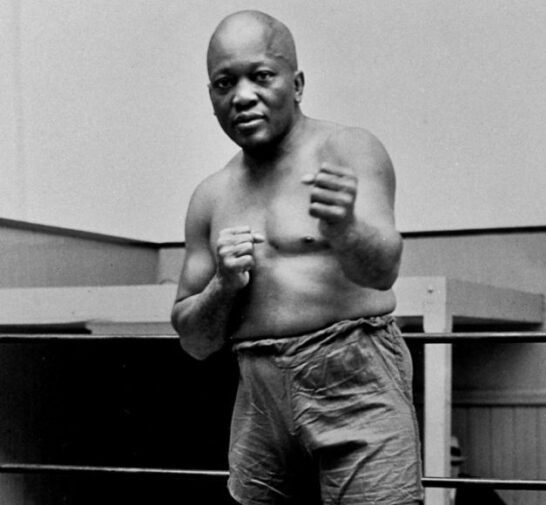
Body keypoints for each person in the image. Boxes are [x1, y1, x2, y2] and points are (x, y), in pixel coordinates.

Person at [170, 10, 423, 505]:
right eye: (225, 83)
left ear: (297, 83)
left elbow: (383, 270)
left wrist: (345, 228)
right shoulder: (210, 196)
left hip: (354, 376)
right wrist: (223, 284)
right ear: (212, 98)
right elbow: (194, 341)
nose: (242, 95)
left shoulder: (348, 149)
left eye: (261, 75)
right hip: (258, 391)